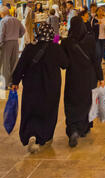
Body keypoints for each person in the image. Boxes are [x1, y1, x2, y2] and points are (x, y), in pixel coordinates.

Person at [11, 23, 68, 154]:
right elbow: (65, 64)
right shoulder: (55, 48)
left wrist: (15, 81)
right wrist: (56, 42)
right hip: (50, 87)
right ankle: (44, 137)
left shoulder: (30, 48)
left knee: (31, 109)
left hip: (31, 86)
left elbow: (20, 66)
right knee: (48, 110)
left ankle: (31, 134)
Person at [62, 16, 104, 148]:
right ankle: (84, 128)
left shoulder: (66, 42)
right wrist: (101, 78)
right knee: (87, 101)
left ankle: (73, 128)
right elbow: (97, 60)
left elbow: (63, 63)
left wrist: (57, 38)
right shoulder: (91, 39)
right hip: (88, 76)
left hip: (73, 77)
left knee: (71, 101)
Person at [0, 7, 25, 88]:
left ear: (2, 13)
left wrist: (0, 43)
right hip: (15, 42)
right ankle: (12, 82)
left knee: (6, 64)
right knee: (14, 63)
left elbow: (1, 34)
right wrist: (18, 36)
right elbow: (23, 30)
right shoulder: (16, 20)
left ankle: (5, 84)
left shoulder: (3, 21)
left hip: (7, 43)